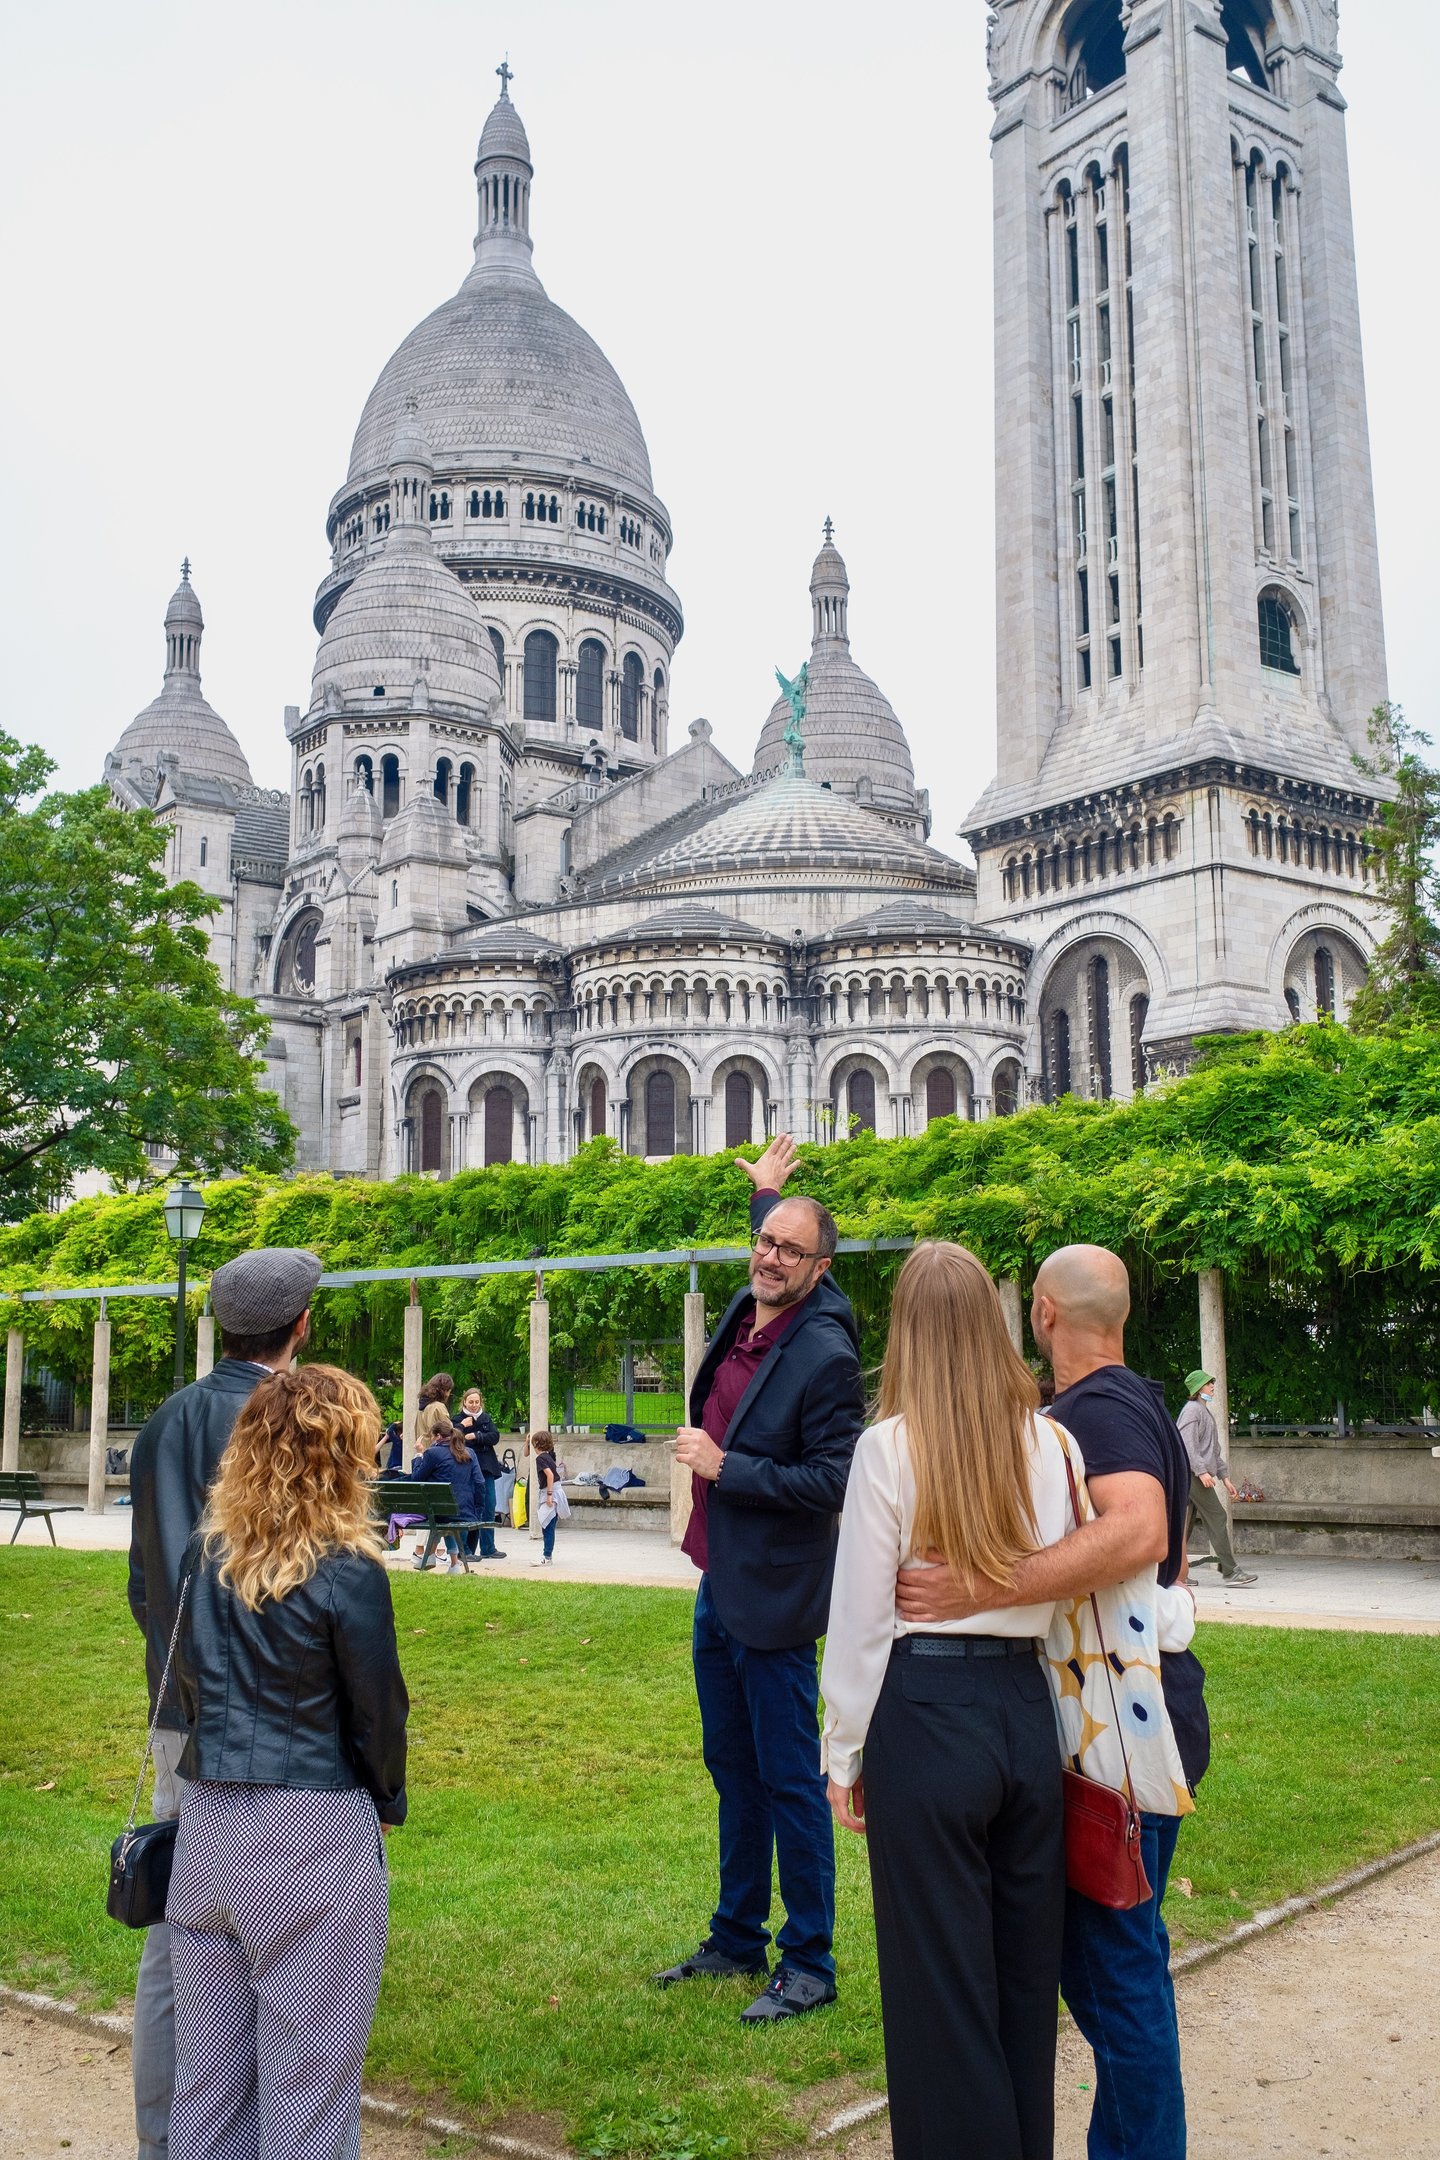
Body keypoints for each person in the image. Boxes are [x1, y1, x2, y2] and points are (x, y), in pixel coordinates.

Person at [896, 1244, 1208, 2160]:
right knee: (1124, 1965)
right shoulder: (1136, 1399)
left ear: (1041, 1315)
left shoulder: (1098, 1410)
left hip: (1121, 1731)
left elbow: (1139, 1531)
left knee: (1117, 1979)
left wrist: (981, 1587)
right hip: (1141, 1719)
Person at [823, 1242, 1078, 2160]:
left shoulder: (887, 1448)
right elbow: (1060, 1586)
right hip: (1023, 1710)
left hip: (926, 1710)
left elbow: (859, 1617)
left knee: (941, 1997)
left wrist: (841, 1754)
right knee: (1021, 1986)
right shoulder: (1053, 1441)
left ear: (906, 1331)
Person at [167, 1364, 407, 2160]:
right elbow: (379, 1711)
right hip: (309, 1828)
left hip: (207, 1826)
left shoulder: (206, 1561)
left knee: (208, 2092)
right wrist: (384, 1798)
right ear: (346, 1457)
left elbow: (193, 1680)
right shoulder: (347, 1572)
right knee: (310, 2094)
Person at [655, 1134, 864, 2024]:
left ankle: (808, 1960)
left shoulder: (826, 1354)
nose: (768, 1257)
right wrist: (769, 1197)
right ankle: (736, 1938)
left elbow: (834, 1482)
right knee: (730, 1768)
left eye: (788, 1249)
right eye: (763, 1241)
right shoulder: (750, 1303)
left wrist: (724, 1466)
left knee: (785, 1779)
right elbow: (775, 1243)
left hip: (776, 1599)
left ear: (820, 1269)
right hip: (719, 1583)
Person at [126, 1245, 322, 2160]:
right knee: (295, 1927)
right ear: (301, 1327)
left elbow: (147, 1577)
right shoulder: (287, 1419)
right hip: (274, 1711)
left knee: (183, 1927)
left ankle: (174, 2137)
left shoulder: (165, 1420)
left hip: (179, 1698)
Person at [1179, 1369, 1257, 1585]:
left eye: (1212, 1383)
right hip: (1192, 1475)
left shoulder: (1204, 1412)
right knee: (1218, 1517)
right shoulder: (1192, 1411)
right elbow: (1187, 1446)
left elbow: (1212, 1450)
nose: (1213, 1386)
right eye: (1208, 1384)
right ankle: (1231, 1572)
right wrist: (1202, 1471)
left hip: (1194, 1474)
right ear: (1197, 1389)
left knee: (1184, 1525)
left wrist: (1224, 1477)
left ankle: (1173, 1574)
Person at [411, 1413, 489, 1573]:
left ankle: (432, 1556)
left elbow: (416, 1478)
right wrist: (478, 1509)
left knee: (443, 1514)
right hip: (465, 1511)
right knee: (447, 1515)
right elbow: (480, 1482)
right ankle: (453, 1564)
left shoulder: (432, 1453)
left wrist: (419, 1454)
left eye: (432, 1437)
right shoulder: (469, 1453)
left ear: (438, 1436)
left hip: (439, 1512)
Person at [453, 1386, 507, 1559]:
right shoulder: (457, 1420)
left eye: (477, 1402)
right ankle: (465, 1550)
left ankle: (488, 1547)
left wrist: (476, 1436)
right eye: (471, 1402)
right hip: (465, 1469)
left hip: (486, 1468)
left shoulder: (486, 1418)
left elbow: (495, 1437)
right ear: (464, 1402)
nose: (474, 1405)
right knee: (467, 1506)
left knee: (489, 1505)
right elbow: (453, 1439)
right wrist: (463, 1427)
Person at [529, 1429, 561, 1565]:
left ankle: (547, 1556)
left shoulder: (541, 1458)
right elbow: (526, 1453)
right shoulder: (549, 1455)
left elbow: (550, 1475)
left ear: (537, 1444)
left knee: (547, 1525)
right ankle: (548, 1554)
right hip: (555, 1491)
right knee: (548, 1523)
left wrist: (549, 1495)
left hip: (549, 1492)